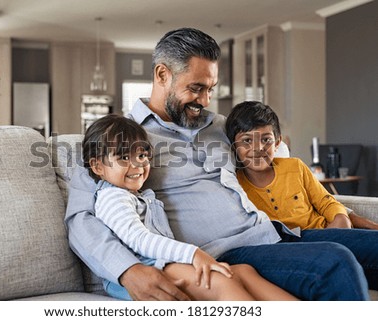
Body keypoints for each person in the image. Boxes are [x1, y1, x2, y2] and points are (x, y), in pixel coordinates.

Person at [66, 27, 375, 301]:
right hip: (222, 252)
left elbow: (280, 165)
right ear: (162, 75)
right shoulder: (117, 139)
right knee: (334, 262)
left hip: (276, 233)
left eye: (210, 89)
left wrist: (340, 211)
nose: (205, 100)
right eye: (196, 88)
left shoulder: (223, 127)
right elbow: (80, 219)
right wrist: (127, 270)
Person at [81, 114, 297, 301]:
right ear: (98, 166)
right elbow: (140, 240)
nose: (137, 165)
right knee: (222, 282)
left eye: (141, 156)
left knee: (244, 272)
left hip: (163, 262)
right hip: (144, 269)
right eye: (124, 157)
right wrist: (193, 254)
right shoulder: (112, 198)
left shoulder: (134, 194)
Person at [225, 100, 378, 231]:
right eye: (247, 141)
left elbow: (326, 201)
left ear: (277, 143)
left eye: (266, 140)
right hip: (296, 245)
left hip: (326, 230)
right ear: (233, 146)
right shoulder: (234, 184)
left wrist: (340, 217)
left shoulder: (295, 167)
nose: (258, 148)